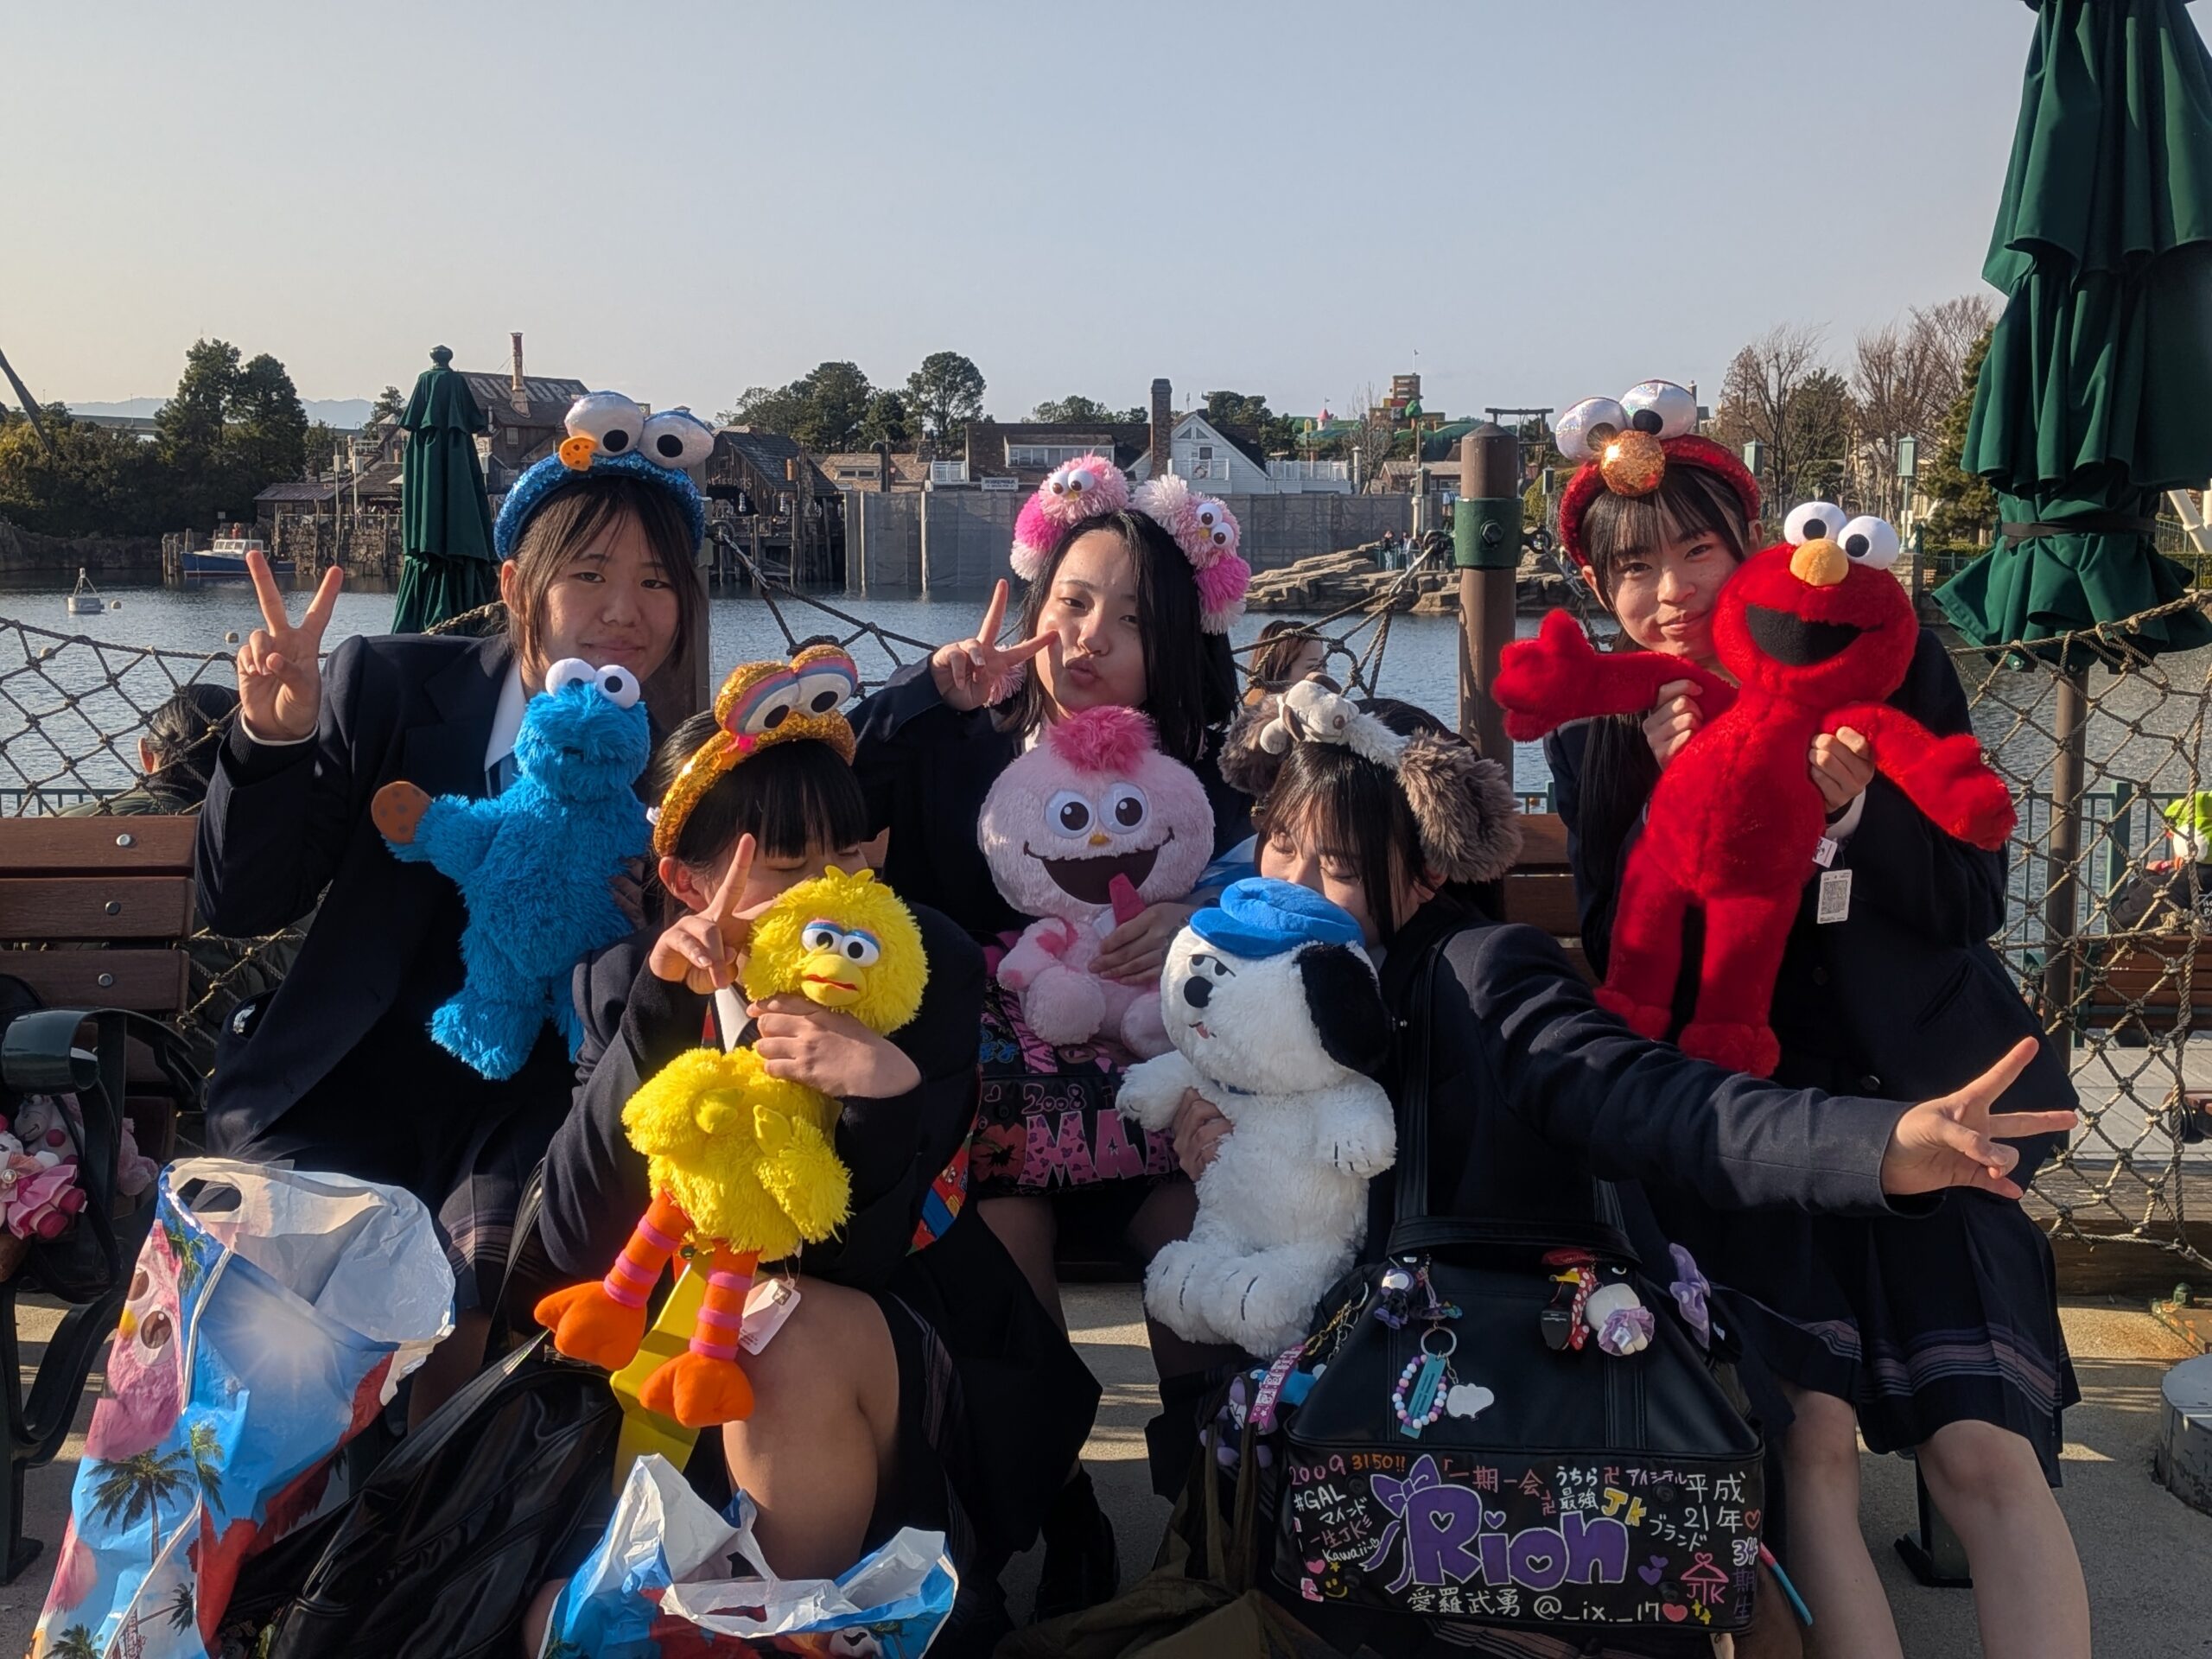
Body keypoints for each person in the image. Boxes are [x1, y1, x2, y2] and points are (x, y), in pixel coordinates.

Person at [1174, 686, 2075, 1656]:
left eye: (1342, 866)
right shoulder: (1257, 984)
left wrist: (1878, 1147)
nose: (1298, 887)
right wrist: (1214, 1141)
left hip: (1490, 1393)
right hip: (1345, 1377)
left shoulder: (1481, 975)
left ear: (1428, 870)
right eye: (1281, 846)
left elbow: (1648, 1098)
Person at [1540, 413, 2088, 1658]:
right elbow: (1619, 950)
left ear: (1748, 544)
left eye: (1695, 552)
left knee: (1983, 1453)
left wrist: (1858, 817)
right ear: (1596, 587)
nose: (1670, 592)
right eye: (1632, 568)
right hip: (1755, 1131)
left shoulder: (1879, 652)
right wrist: (1658, 793)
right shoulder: (1601, 724)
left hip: (1921, 1091)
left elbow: (1972, 898)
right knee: (1814, 1448)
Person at [530, 670, 1095, 1656]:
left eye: (850, 854)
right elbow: (574, 1236)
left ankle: (781, 1629)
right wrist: (660, 1017)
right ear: (688, 885)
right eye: (786, 865)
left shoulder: (921, 968)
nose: (830, 889)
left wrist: (881, 1093)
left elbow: (863, 1257)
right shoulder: (630, 981)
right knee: (550, 1620)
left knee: (779, 1326)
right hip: (677, 1365)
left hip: (895, 1340)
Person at [194, 391, 707, 1425]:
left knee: (489, 1295)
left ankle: (416, 1515)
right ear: (517, 586)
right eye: (590, 573)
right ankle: (283, 1510)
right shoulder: (386, 685)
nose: (626, 609)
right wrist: (273, 741)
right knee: (273, 1320)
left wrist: (659, 934)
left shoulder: (682, 766)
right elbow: (242, 900)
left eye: (657, 581)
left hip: (535, 1105)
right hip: (347, 1082)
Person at [849, 466, 1256, 1613]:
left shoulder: (1210, 773)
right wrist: (926, 692)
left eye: (1132, 621)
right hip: (1001, 1124)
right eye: (1073, 602)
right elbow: (830, 784)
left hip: (1161, 1110)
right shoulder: (964, 743)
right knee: (1001, 1261)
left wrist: (1203, 915)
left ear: (1175, 648)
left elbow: (1289, 880)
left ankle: (1211, 1521)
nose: (1090, 639)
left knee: (1203, 1243)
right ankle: (1050, 1504)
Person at [63, 683, 297, 1077]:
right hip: (223, 1081)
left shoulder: (64, 830)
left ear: (146, 755)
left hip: (70, 1069)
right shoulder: (275, 848)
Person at [1243, 620, 1327, 707]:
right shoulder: (1258, 710)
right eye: (1312, 667)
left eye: (1324, 666)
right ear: (1280, 672)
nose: (1322, 674)